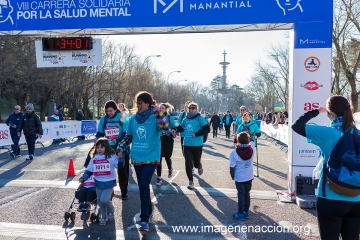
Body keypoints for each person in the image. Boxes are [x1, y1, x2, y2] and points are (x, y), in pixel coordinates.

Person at [292, 95, 360, 240]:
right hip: (357, 197)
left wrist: (315, 111)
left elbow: (296, 126)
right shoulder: (358, 134)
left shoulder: (328, 133)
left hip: (330, 195)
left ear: (330, 112)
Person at [116, 91, 170, 231]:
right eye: (137, 103)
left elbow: (165, 129)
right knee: (143, 186)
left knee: (143, 184)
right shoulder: (133, 118)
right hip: (137, 157)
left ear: (148, 104)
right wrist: (120, 148)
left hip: (151, 157)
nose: (138, 105)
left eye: (141, 103)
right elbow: (129, 137)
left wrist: (158, 112)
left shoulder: (155, 117)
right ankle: (149, 211)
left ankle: (144, 219)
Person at [79, 138, 119, 226]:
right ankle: (104, 218)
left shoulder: (112, 156)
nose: (99, 149)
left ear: (107, 147)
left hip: (109, 183)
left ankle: (111, 210)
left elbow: (118, 165)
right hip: (98, 183)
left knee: (104, 200)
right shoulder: (94, 158)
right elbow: (89, 170)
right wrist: (83, 178)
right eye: (98, 147)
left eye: (102, 147)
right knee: (100, 202)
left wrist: (120, 158)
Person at [96, 100, 130, 200]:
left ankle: (124, 192)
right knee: (107, 170)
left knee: (122, 171)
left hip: (121, 147)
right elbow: (100, 132)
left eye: (110, 111)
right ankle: (109, 191)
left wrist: (118, 140)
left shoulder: (123, 117)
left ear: (116, 109)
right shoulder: (104, 119)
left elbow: (127, 134)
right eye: (107, 111)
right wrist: (97, 139)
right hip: (108, 148)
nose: (108, 113)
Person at [176, 102, 210, 189]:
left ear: (196, 109)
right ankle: (190, 181)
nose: (191, 109)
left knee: (196, 163)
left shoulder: (199, 118)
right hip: (186, 144)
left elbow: (207, 129)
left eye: (193, 108)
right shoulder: (186, 119)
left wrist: (197, 134)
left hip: (197, 145)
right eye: (190, 108)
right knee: (188, 162)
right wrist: (174, 129)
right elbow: (181, 127)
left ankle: (199, 166)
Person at [230, 132, 254, 221]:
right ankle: (246, 212)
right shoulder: (252, 149)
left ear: (238, 141)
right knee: (247, 194)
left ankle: (240, 213)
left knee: (241, 194)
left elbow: (232, 167)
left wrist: (233, 176)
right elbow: (252, 141)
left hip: (239, 177)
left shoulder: (234, 152)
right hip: (249, 176)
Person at [156, 102, 177, 186]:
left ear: (165, 110)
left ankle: (170, 168)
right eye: (160, 108)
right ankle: (159, 178)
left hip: (168, 138)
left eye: (163, 108)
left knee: (167, 157)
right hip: (160, 138)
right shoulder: (156, 118)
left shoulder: (169, 117)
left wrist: (173, 131)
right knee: (159, 159)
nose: (161, 109)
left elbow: (173, 127)